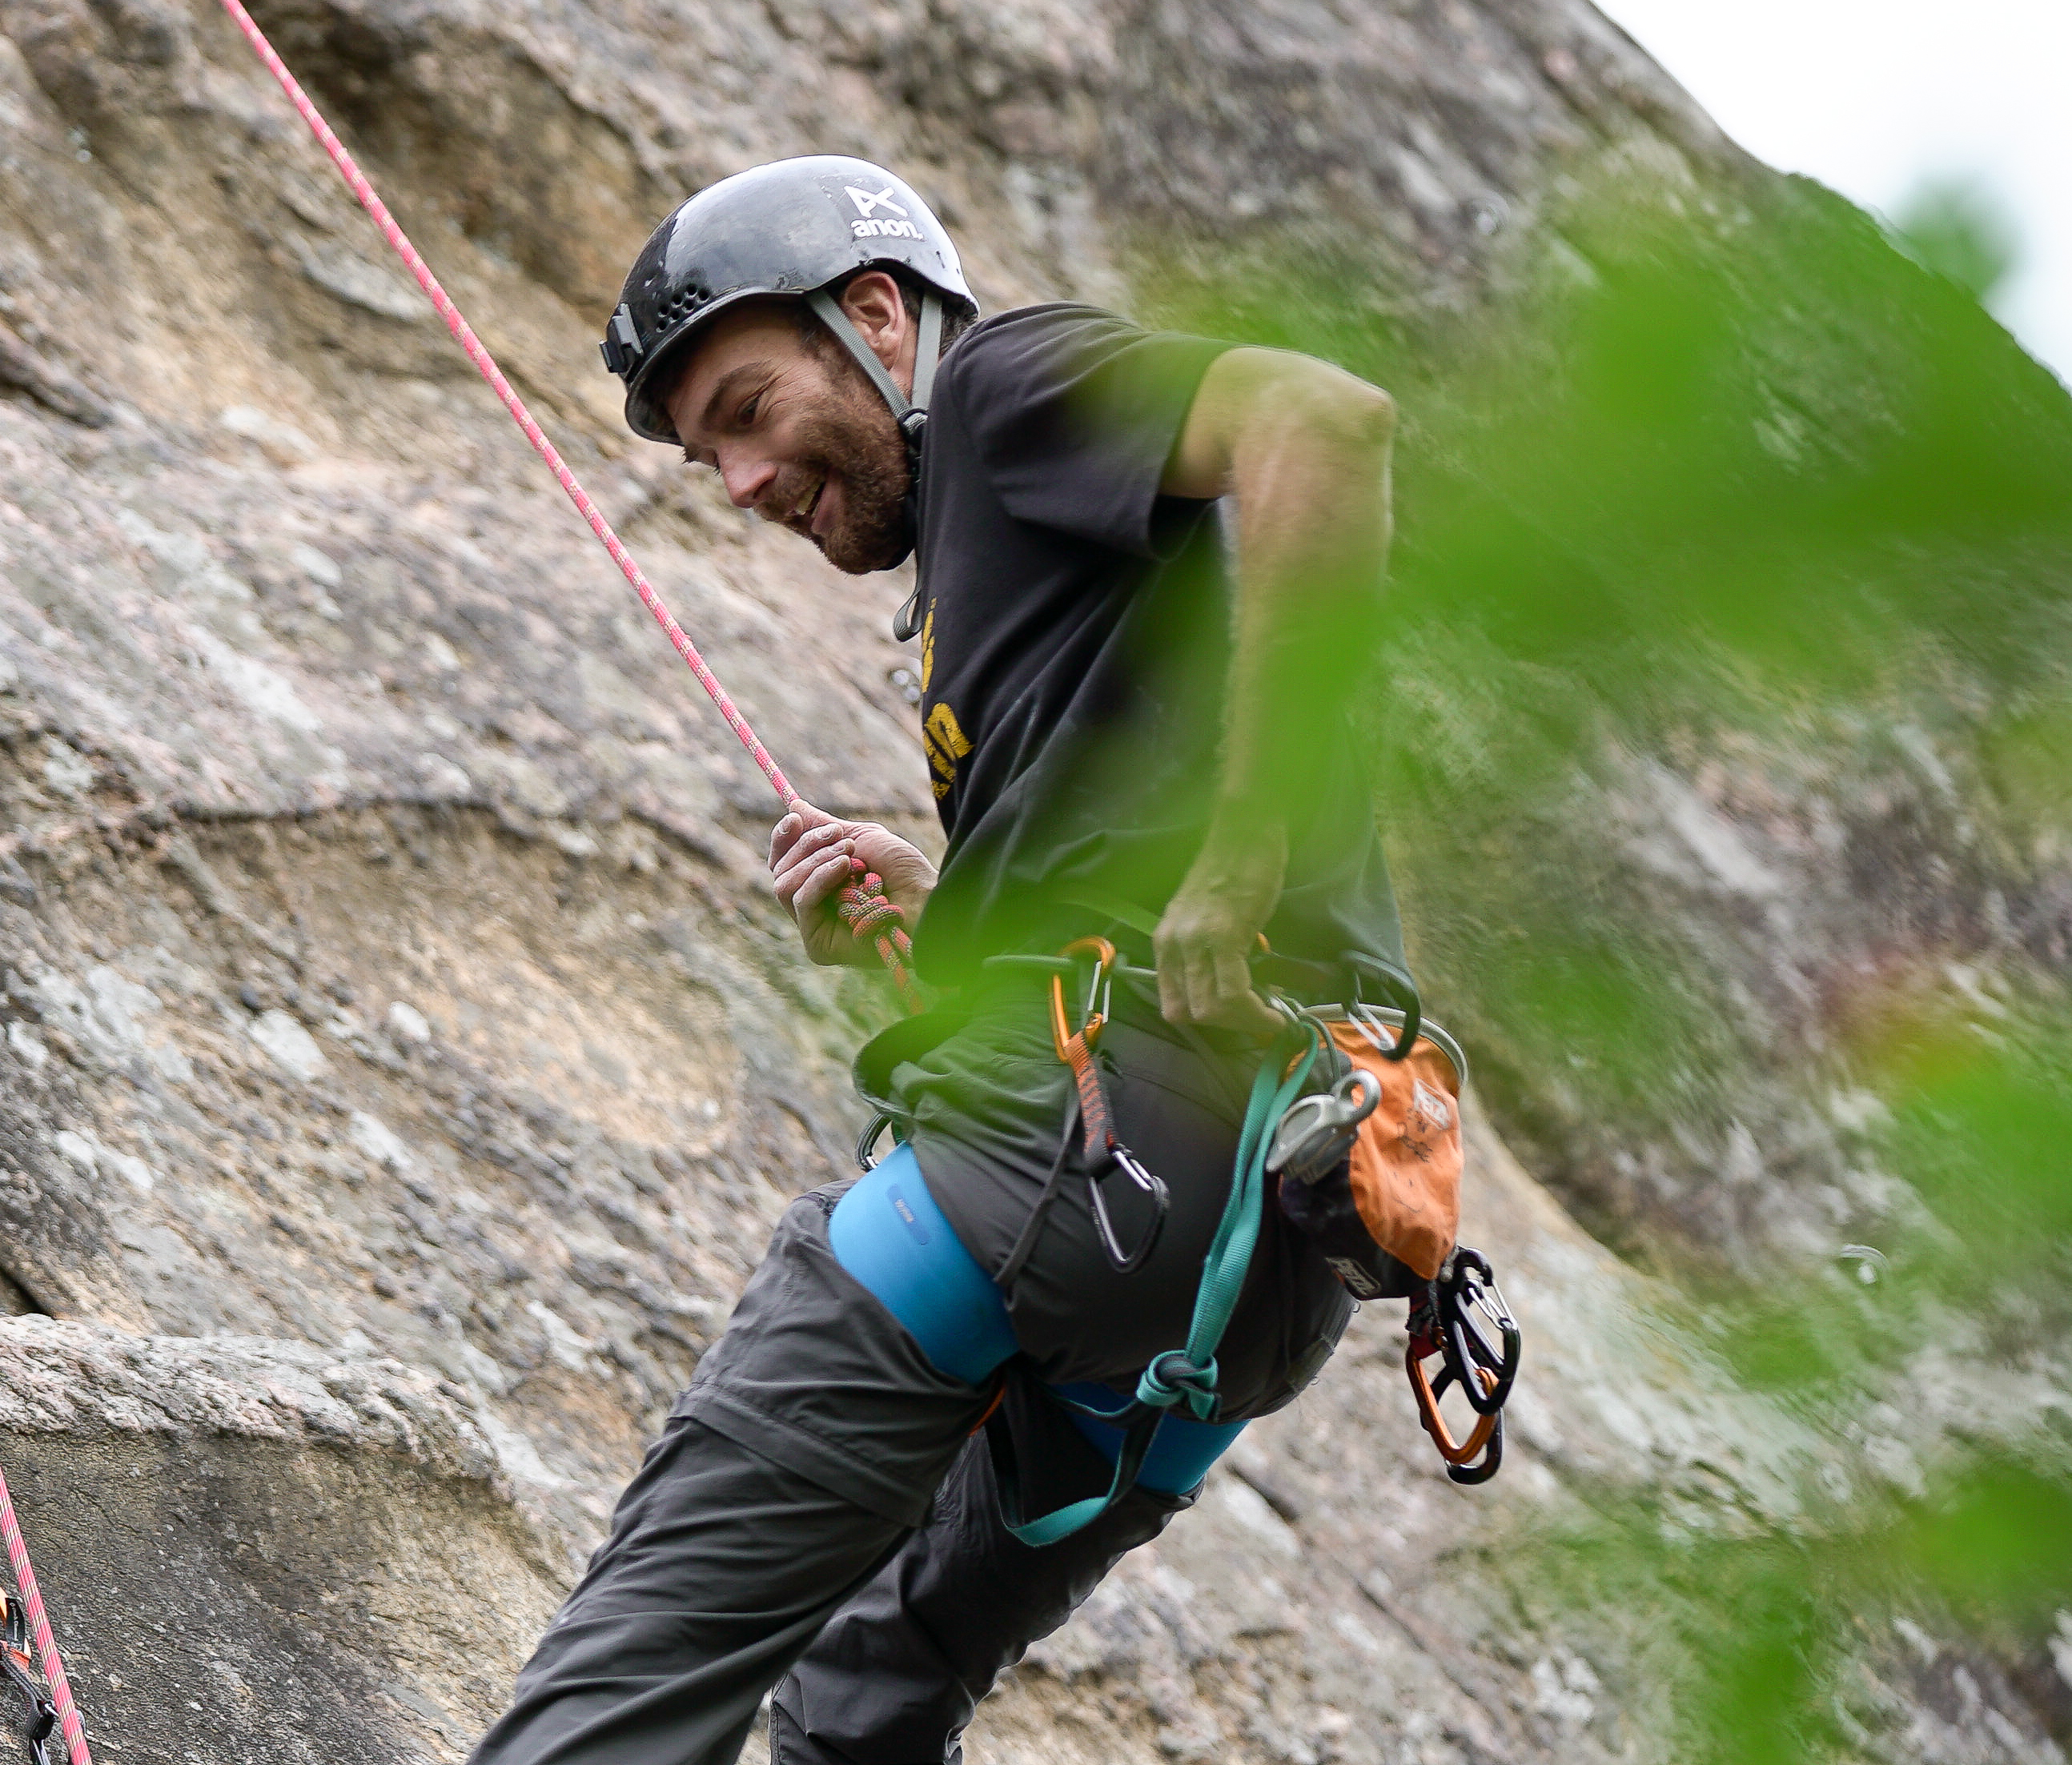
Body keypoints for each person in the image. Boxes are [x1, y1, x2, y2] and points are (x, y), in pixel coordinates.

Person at [468, 155, 1410, 1765]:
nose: (743, 478)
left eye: (749, 409)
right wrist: (953, 914)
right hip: (1258, 1269)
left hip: (1065, 1171)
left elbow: (1319, 421)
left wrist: (1244, 843)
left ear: (878, 315)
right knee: (861, 1695)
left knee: (637, 1662)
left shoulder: (996, 389)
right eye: (710, 457)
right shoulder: (1012, 563)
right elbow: (1121, 864)